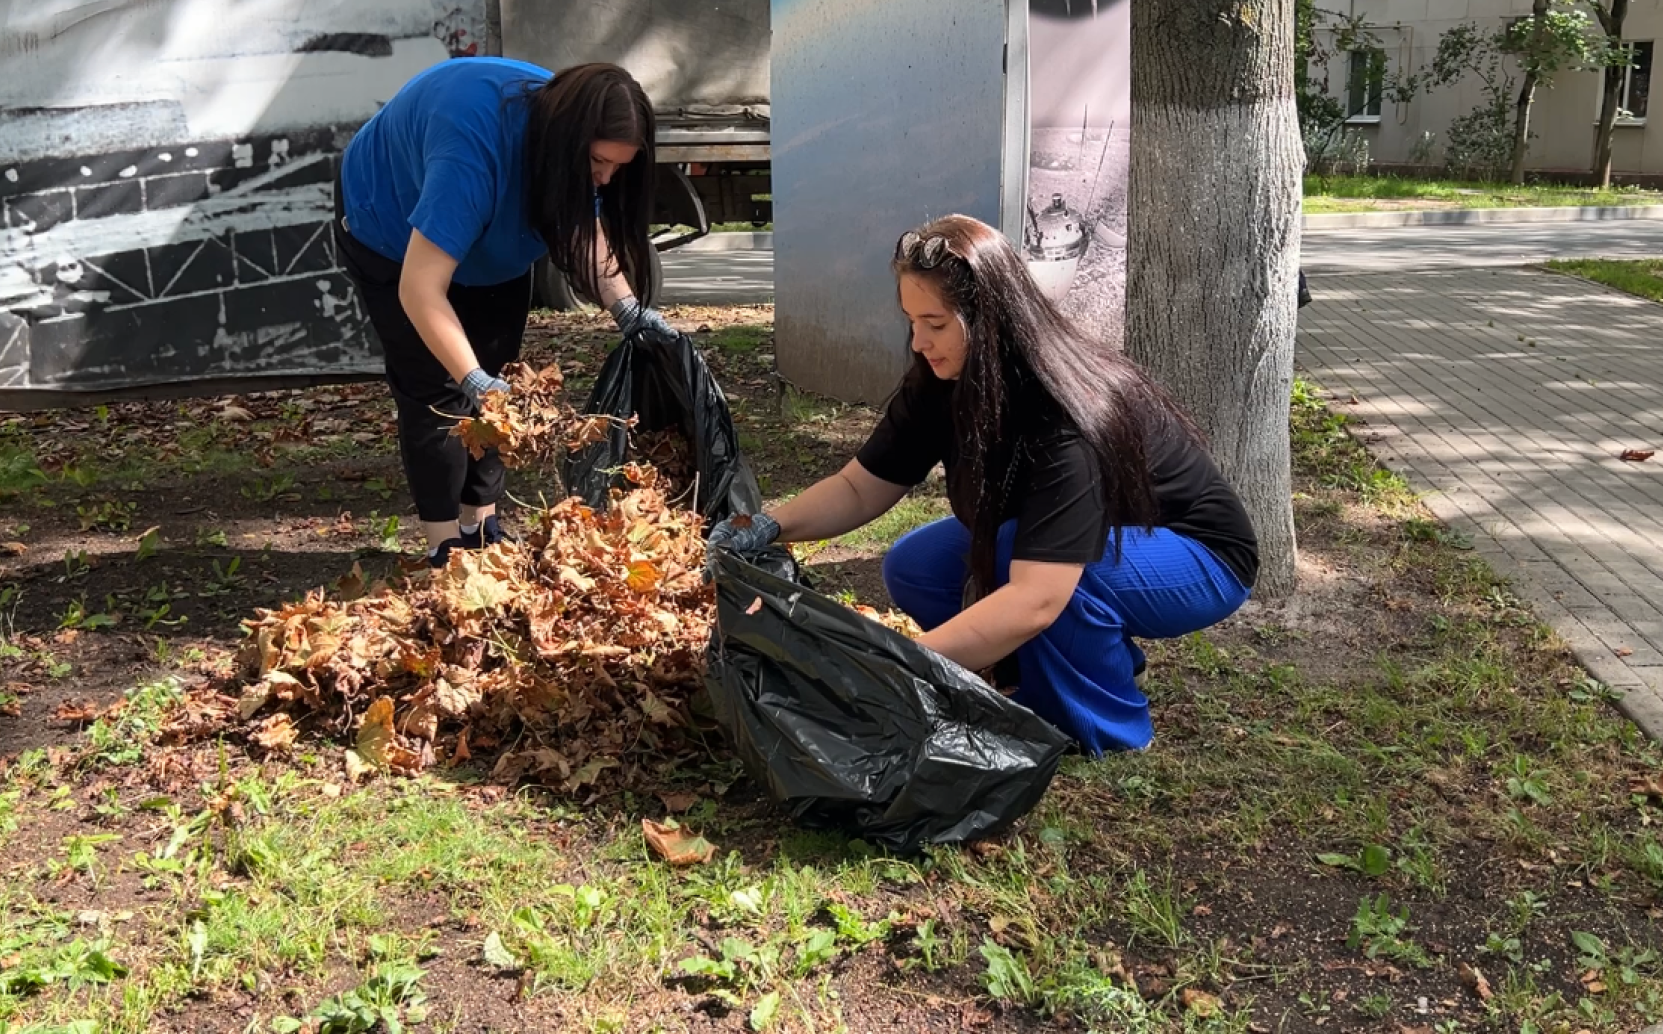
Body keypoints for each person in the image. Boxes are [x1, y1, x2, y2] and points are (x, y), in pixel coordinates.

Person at [707, 214, 1260, 755]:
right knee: (916, 566)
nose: (920, 341)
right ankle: (1066, 656)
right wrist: (768, 525)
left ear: (990, 318)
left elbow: (1038, 598)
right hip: (1092, 543)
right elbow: (859, 487)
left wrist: (899, 662)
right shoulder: (940, 380)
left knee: (1062, 583)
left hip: (1197, 555)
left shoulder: (1061, 410)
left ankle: (1106, 725)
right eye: (912, 321)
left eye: (937, 323)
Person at [333, 56, 680, 567]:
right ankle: (445, 545)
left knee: (500, 382)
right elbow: (420, 289)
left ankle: (482, 525)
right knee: (439, 389)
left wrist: (627, 308)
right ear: (565, 146)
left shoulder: (572, 133)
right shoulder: (471, 152)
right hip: (389, 232)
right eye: (597, 165)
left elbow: (584, 225)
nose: (604, 181)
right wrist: (470, 378)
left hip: (492, 236)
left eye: (616, 168)